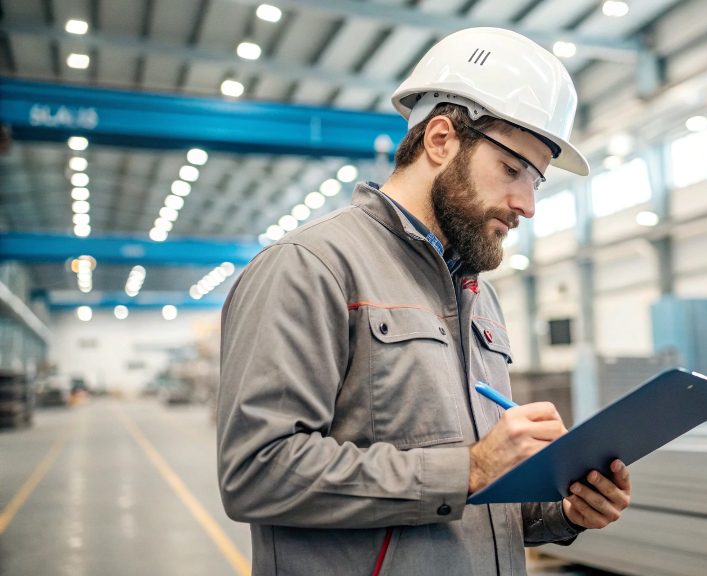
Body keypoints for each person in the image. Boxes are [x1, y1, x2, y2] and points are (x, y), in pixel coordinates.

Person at [216, 27, 631, 576]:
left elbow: (477, 502)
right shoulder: (310, 268)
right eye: (512, 170)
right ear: (440, 139)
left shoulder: (478, 297)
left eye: (537, 181)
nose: (526, 205)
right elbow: (257, 473)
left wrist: (563, 510)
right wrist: (468, 469)